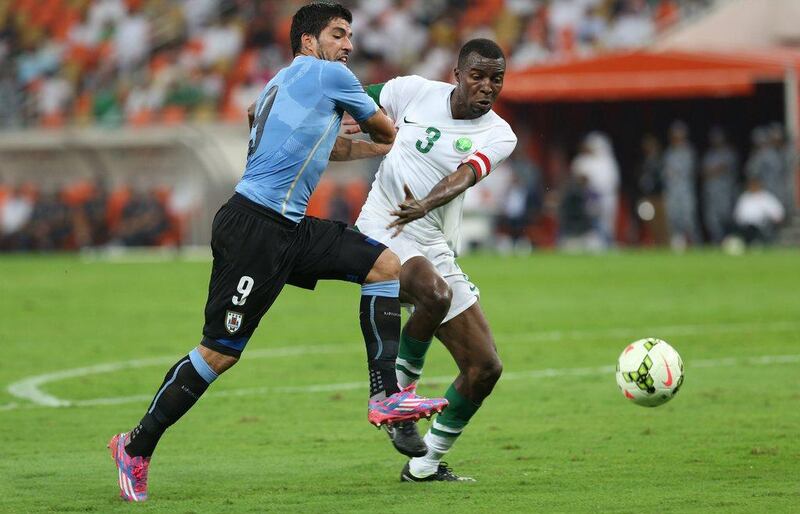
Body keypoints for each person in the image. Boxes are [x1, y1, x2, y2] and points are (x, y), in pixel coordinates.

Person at [107, 3, 447, 502]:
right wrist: (385, 136)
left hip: (287, 227)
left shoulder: (284, 82)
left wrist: (368, 145)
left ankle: (385, 394)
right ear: (308, 42)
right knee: (219, 353)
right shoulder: (326, 74)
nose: (348, 45)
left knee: (383, 265)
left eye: (350, 35)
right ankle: (134, 445)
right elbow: (386, 130)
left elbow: (319, 143)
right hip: (254, 228)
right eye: (338, 34)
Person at [351, 38, 517, 481]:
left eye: (496, 79)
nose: (486, 87)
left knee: (485, 367)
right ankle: (398, 400)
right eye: (477, 76)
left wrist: (426, 203)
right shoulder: (412, 91)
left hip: (430, 236)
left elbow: (465, 174)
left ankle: (424, 465)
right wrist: (334, 122)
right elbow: (355, 96)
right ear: (456, 74)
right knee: (434, 294)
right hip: (383, 227)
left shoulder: (500, 134)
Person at [571, 132, 620, 247]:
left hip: (608, 197)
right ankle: (596, 244)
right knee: (593, 223)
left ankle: (608, 244)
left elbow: (615, 182)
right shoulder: (582, 160)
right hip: (590, 196)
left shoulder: (608, 161)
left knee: (608, 224)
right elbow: (579, 179)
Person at [662, 120, 700, 250]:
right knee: (673, 218)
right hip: (672, 190)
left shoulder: (688, 151)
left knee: (688, 219)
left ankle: (696, 244)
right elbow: (665, 173)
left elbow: (689, 171)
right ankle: (678, 244)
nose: (677, 136)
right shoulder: (669, 152)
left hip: (685, 190)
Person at [701, 127, 738, 244]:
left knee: (727, 218)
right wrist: (712, 171)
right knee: (712, 221)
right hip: (711, 194)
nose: (716, 140)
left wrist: (712, 171)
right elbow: (703, 172)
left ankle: (731, 241)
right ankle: (717, 243)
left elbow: (723, 167)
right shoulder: (709, 155)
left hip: (726, 193)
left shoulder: (729, 153)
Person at [732, 177, 785, 245]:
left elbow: (778, 213)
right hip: (744, 226)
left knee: (752, 230)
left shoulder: (766, 197)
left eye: (755, 184)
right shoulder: (744, 197)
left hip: (760, 226)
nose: (753, 186)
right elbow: (737, 215)